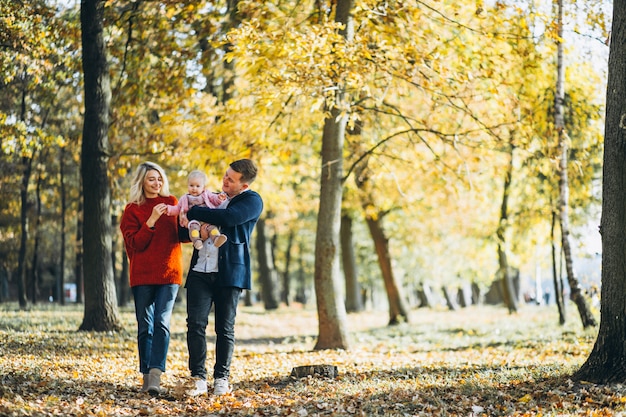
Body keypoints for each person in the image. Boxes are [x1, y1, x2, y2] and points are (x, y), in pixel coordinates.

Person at [183, 159, 263, 397]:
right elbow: (184, 228)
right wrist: (195, 223)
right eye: (225, 175)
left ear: (244, 184)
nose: (224, 180)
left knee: (224, 328)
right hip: (200, 269)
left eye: (231, 179)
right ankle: (198, 377)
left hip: (229, 273)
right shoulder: (211, 198)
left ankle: (221, 378)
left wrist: (195, 211)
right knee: (195, 324)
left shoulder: (252, 200)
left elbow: (229, 219)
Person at [120, 162, 183, 395]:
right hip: (143, 274)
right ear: (142, 183)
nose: (156, 183)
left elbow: (182, 236)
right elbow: (135, 244)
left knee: (162, 322)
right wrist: (151, 221)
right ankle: (146, 376)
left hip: (169, 273)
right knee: (145, 326)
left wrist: (194, 220)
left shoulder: (172, 203)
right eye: (151, 179)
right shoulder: (132, 210)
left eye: (159, 179)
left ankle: (156, 373)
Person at [166, 169, 228, 250]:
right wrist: (169, 209)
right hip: (194, 220)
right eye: (191, 185)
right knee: (193, 228)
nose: (194, 188)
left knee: (212, 228)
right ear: (187, 185)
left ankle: (216, 239)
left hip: (206, 219)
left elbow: (214, 199)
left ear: (203, 187)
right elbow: (177, 208)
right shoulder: (185, 198)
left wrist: (219, 198)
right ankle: (196, 241)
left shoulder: (206, 194)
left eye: (197, 186)